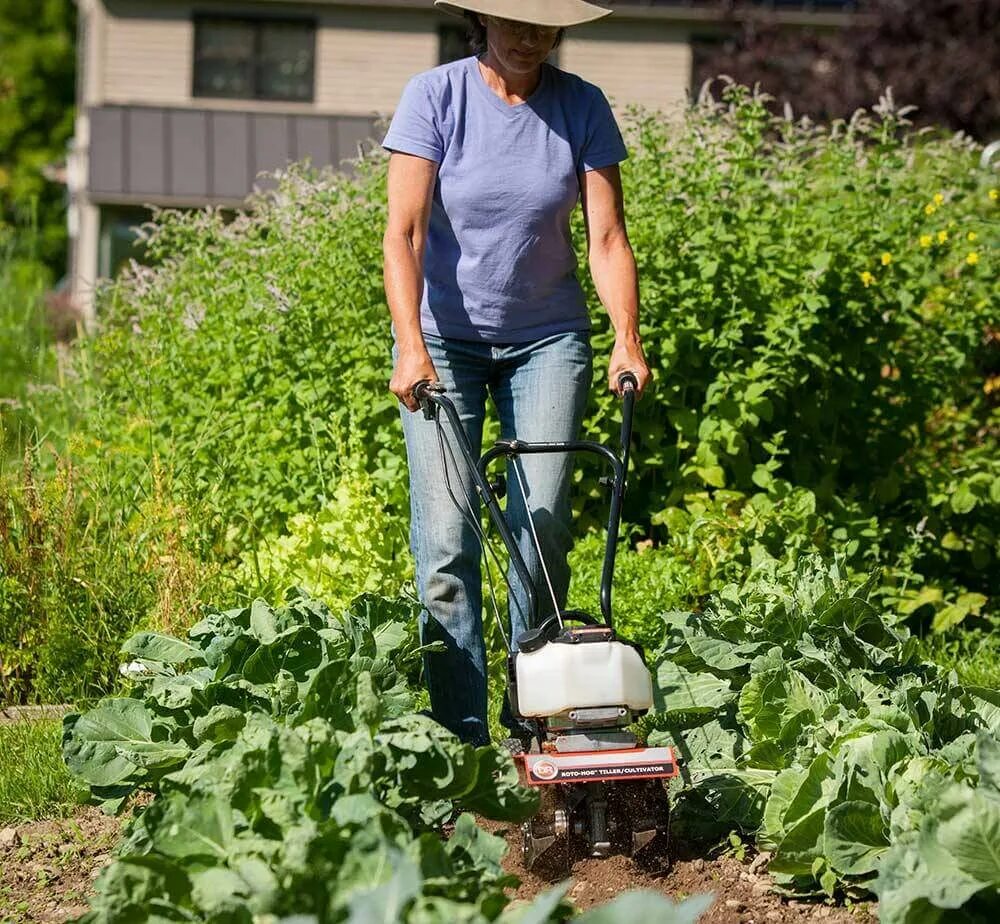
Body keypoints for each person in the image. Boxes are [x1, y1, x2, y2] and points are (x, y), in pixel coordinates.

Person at [381, 0, 650, 747]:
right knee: (445, 544)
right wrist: (410, 344)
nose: (531, 38)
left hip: (548, 341)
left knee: (543, 526)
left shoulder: (582, 107)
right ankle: (462, 738)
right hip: (445, 343)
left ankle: (533, 715)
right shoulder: (434, 97)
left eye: (545, 25)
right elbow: (402, 234)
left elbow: (606, 237)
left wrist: (626, 337)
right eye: (516, 22)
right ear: (481, 19)